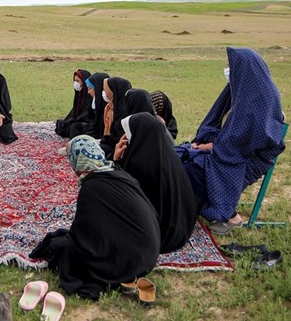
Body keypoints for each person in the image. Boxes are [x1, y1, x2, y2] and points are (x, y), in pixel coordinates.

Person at [29, 135, 160, 301]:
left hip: (132, 260)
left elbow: (85, 236)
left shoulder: (91, 188)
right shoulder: (118, 173)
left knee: (63, 247)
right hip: (149, 253)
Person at [182, 47, 286, 234]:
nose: (227, 69)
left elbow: (238, 144)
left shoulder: (258, 101)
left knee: (189, 171)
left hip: (244, 158)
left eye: (230, 65)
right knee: (180, 154)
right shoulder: (246, 88)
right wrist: (200, 145)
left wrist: (201, 147)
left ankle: (229, 215)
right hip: (227, 149)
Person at [114, 112, 197, 253]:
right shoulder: (168, 155)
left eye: (128, 133)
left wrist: (116, 160)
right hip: (180, 230)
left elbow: (120, 193)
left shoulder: (139, 163)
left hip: (157, 236)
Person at [98, 77, 135, 159]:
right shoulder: (112, 108)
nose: (104, 93)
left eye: (106, 90)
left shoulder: (123, 113)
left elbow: (115, 140)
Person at [55, 69, 93, 138]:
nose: (75, 83)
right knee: (60, 124)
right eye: (75, 81)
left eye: (78, 81)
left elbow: (87, 115)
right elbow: (75, 112)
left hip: (86, 122)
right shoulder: (79, 94)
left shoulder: (90, 95)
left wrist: (75, 120)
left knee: (73, 128)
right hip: (78, 120)